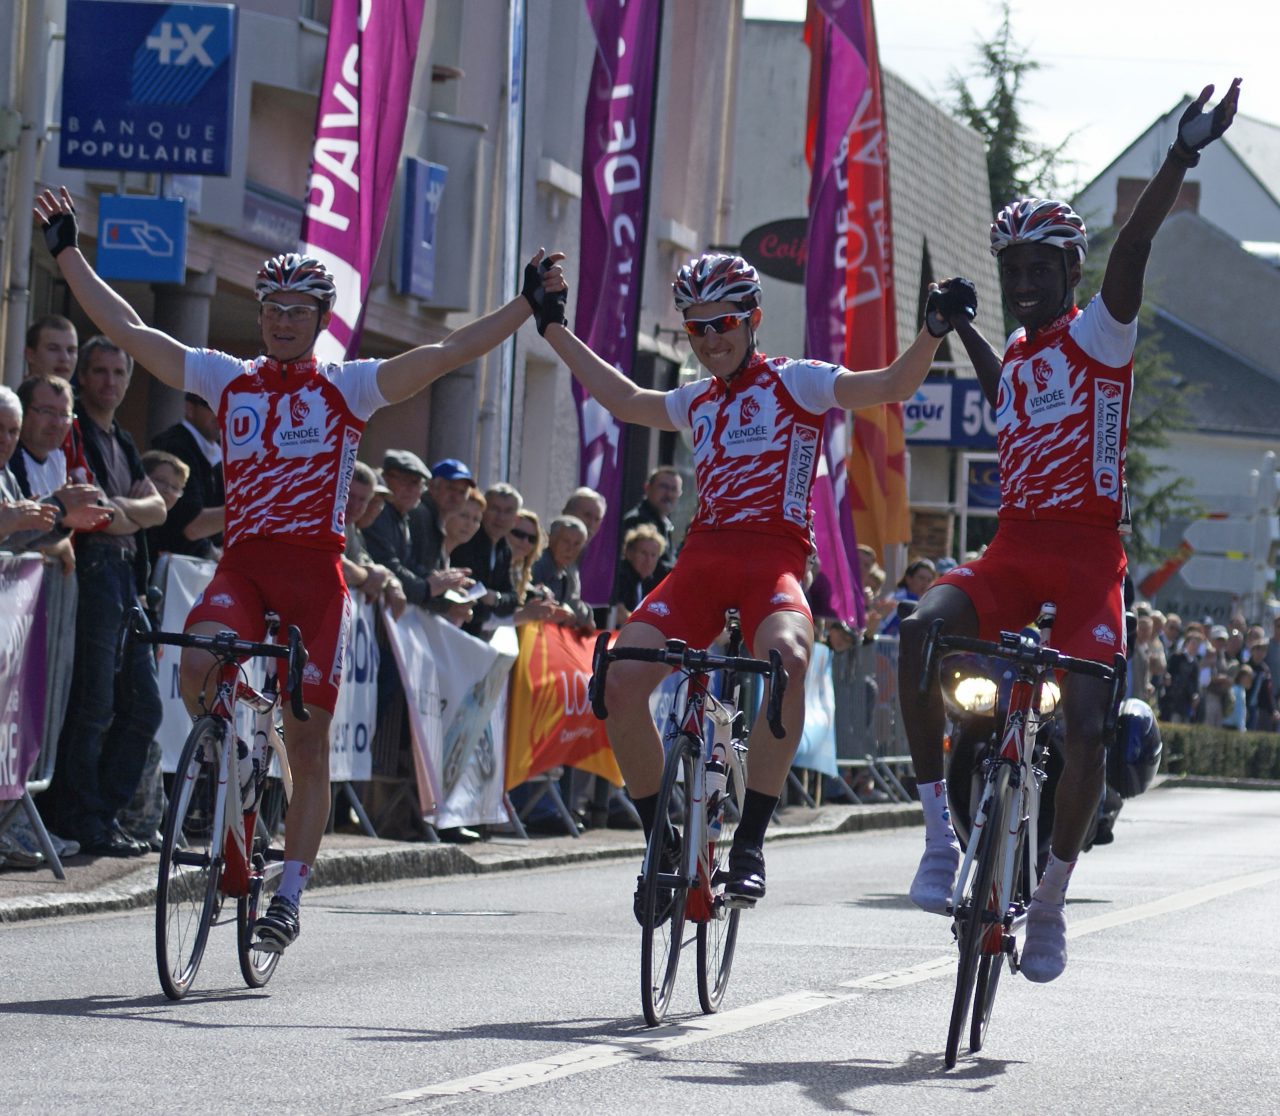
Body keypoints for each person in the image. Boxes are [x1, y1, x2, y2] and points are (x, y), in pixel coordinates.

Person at [36, 183, 564, 952]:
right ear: (261, 317)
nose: (282, 321)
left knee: (308, 740)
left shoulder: (345, 387)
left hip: (317, 577)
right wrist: (68, 254)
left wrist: (523, 308)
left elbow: (444, 353)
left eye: (297, 311)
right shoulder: (228, 378)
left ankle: (288, 891)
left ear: (318, 321)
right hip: (244, 568)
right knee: (195, 670)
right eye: (272, 309)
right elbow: (131, 328)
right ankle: (230, 754)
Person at [896, 79, 1241, 984]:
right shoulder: (1017, 354)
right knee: (919, 634)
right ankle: (938, 839)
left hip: (1090, 559)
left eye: (1037, 272)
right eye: (1011, 274)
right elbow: (1002, 395)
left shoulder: (1103, 332)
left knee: (1085, 724)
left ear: (1070, 275)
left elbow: (1135, 242)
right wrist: (960, 327)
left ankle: (1047, 903)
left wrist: (1180, 154)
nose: (1021, 286)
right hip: (1012, 551)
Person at [538, 250, 953, 917]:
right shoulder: (697, 398)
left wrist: (931, 330)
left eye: (724, 323)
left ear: (754, 318)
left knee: (787, 662)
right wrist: (552, 326)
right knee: (616, 675)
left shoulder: (799, 382)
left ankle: (751, 844)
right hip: (702, 562)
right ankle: (661, 845)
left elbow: (891, 385)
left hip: (776, 563)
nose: (710, 340)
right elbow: (621, 397)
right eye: (696, 329)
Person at [42, 336, 167, 857]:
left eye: (118, 373)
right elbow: (96, 513)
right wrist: (129, 510)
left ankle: (104, 811)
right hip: (94, 573)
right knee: (93, 703)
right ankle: (78, 815)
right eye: (99, 372)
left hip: (126, 576)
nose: (109, 383)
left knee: (145, 706)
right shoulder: (76, 433)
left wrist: (128, 510)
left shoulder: (123, 439)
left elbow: (158, 508)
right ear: (84, 377)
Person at [363, 449, 473, 623]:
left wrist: (437, 581)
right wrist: (429, 587)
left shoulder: (402, 515)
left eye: (417, 484)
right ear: (386, 478)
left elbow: (409, 565)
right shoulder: (390, 513)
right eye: (405, 482)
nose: (412, 490)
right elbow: (388, 564)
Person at [149, 393, 225, 559]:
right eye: (212, 405)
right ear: (190, 408)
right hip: (167, 569)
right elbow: (192, 525)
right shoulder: (174, 446)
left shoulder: (219, 452)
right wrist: (248, 508)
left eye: (227, 405)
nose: (222, 412)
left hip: (200, 570)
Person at [451, 482, 523, 638]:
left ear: (515, 519)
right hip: (455, 630)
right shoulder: (466, 541)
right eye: (495, 509)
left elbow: (512, 599)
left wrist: (494, 599)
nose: (500, 517)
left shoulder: (505, 549)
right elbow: (471, 596)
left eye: (508, 511)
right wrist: (491, 603)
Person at [618, 467, 682, 586]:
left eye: (674, 489)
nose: (668, 494)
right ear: (647, 488)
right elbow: (654, 569)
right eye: (663, 487)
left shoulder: (665, 524)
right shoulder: (637, 520)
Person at [531, 514, 593, 629]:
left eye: (577, 544)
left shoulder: (570, 570)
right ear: (551, 539)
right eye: (565, 541)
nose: (570, 549)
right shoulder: (536, 565)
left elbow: (574, 605)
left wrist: (586, 617)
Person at [609, 523, 666, 628]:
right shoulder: (621, 576)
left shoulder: (645, 582)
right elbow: (617, 613)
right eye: (643, 553)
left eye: (653, 555)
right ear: (629, 553)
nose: (648, 560)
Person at [876, 557, 936, 637]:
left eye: (929, 580)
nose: (925, 583)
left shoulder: (929, 605)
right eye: (921, 578)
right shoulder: (894, 599)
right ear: (909, 578)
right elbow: (879, 627)